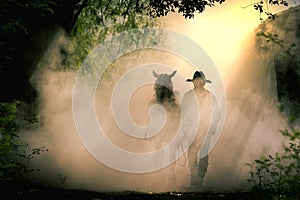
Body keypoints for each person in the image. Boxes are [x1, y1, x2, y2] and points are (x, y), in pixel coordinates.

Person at [180, 71, 218, 190]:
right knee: (192, 153)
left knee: (203, 155)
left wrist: (212, 127)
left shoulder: (210, 96)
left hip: (205, 128)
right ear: (194, 83)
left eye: (200, 82)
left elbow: (217, 114)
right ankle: (194, 178)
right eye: (197, 82)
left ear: (204, 83)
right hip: (192, 130)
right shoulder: (188, 96)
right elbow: (183, 113)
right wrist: (184, 130)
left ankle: (199, 179)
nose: (199, 84)